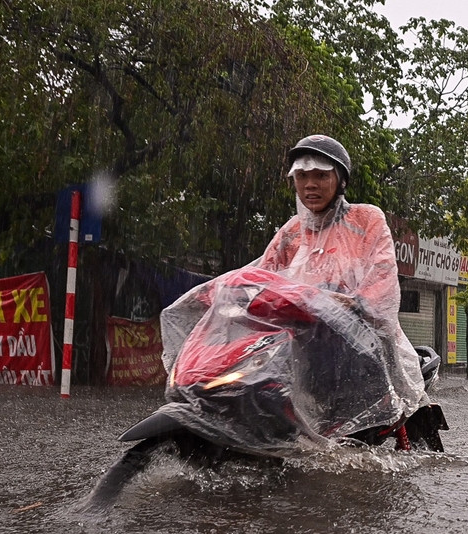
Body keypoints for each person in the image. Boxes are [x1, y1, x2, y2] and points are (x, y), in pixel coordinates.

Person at [160, 134, 427, 445]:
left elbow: (382, 276)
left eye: (320, 175)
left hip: (359, 338)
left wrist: (356, 303)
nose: (310, 185)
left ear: (340, 180)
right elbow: (261, 274)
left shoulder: (367, 218)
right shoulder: (291, 231)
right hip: (301, 336)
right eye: (302, 176)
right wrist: (221, 290)